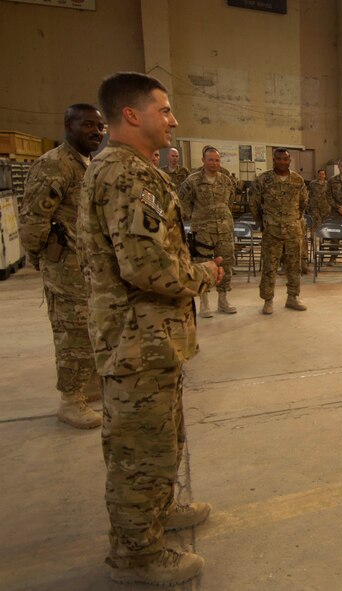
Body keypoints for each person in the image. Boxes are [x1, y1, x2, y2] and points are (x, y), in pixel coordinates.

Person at [79, 72, 222, 586]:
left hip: (149, 338)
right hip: (137, 341)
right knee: (139, 453)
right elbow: (147, 267)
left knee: (160, 439)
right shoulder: (126, 175)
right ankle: (136, 556)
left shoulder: (128, 169)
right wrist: (204, 275)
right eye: (164, 110)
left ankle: (159, 514)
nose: (173, 120)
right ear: (131, 114)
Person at [20, 103, 106, 429]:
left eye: (99, 126)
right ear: (69, 125)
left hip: (87, 267)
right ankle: (70, 401)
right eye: (88, 125)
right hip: (65, 267)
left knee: (90, 329)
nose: (96, 132)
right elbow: (32, 221)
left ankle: (89, 386)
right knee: (71, 335)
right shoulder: (54, 164)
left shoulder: (86, 164)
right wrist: (43, 259)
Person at [178, 146, 237, 317]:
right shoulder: (192, 181)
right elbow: (183, 205)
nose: (214, 163)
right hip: (202, 231)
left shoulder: (226, 181)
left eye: (217, 160)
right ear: (203, 160)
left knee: (226, 264)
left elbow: (230, 201)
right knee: (203, 265)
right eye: (210, 160)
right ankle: (204, 303)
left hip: (224, 230)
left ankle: (223, 300)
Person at [251, 148, 309, 314]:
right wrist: (263, 224)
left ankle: (292, 297)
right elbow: (254, 205)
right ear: (273, 160)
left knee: (294, 266)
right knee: (269, 266)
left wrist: (294, 219)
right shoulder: (263, 180)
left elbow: (303, 203)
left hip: (293, 231)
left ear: (289, 161)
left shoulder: (297, 180)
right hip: (272, 231)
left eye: (285, 159)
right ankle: (268, 300)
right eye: (279, 159)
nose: (282, 162)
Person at [306, 169, 330, 272]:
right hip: (314, 207)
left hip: (325, 207)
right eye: (320, 174)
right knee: (314, 226)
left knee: (324, 227)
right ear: (317, 175)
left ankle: (323, 244)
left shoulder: (328, 184)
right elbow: (308, 194)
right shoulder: (312, 184)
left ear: (325, 175)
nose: (321, 175)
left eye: (323, 174)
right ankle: (314, 242)